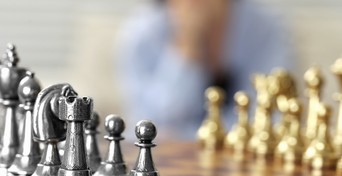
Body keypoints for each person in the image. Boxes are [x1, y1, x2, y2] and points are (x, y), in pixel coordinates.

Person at [117, 0, 295, 140]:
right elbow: (151, 126)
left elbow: (268, 117)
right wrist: (187, 47)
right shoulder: (142, 35)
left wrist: (192, 137)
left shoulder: (265, 28)